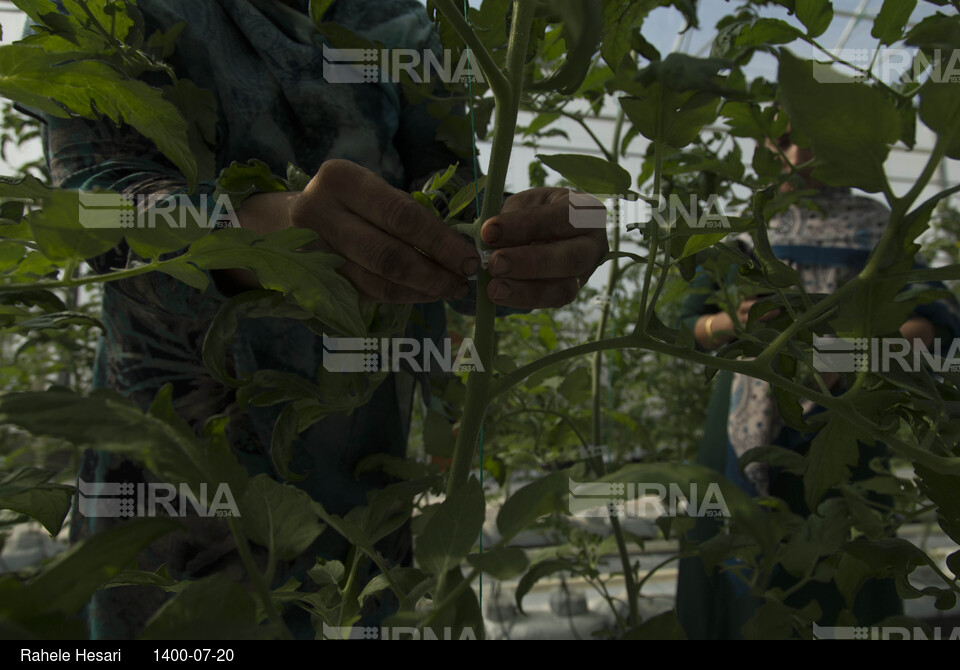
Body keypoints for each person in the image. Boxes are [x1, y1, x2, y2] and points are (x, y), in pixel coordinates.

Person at [26, 0, 608, 638]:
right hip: (180, 478)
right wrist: (260, 233)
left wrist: (526, 238)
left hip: (360, 486)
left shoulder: (405, 22)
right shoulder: (100, 7)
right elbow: (87, 214)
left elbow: (451, 223)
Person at [674, 129, 960, 639]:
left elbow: (937, 331)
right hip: (740, 424)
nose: (799, 156)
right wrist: (734, 325)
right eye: (783, 141)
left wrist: (847, 353)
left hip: (844, 416)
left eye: (814, 139)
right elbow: (683, 327)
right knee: (734, 545)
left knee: (842, 558)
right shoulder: (742, 229)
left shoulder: (880, 229)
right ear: (762, 147)